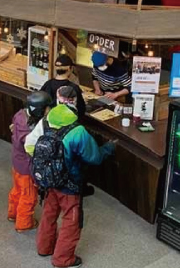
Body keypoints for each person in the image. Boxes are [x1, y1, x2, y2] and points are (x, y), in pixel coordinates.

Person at [25, 91, 116, 268]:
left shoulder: (46, 121)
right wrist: (108, 148)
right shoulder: (77, 131)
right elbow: (94, 157)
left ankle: (44, 247)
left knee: (49, 213)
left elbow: (29, 145)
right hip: (70, 184)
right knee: (71, 220)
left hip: (48, 180)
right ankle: (63, 259)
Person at [8, 91, 51, 233]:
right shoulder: (30, 131)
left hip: (16, 163)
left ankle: (12, 213)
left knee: (17, 190)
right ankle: (24, 224)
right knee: (29, 196)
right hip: (27, 168)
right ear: (39, 110)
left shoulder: (20, 114)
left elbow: (13, 127)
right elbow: (33, 147)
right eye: (47, 108)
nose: (49, 110)